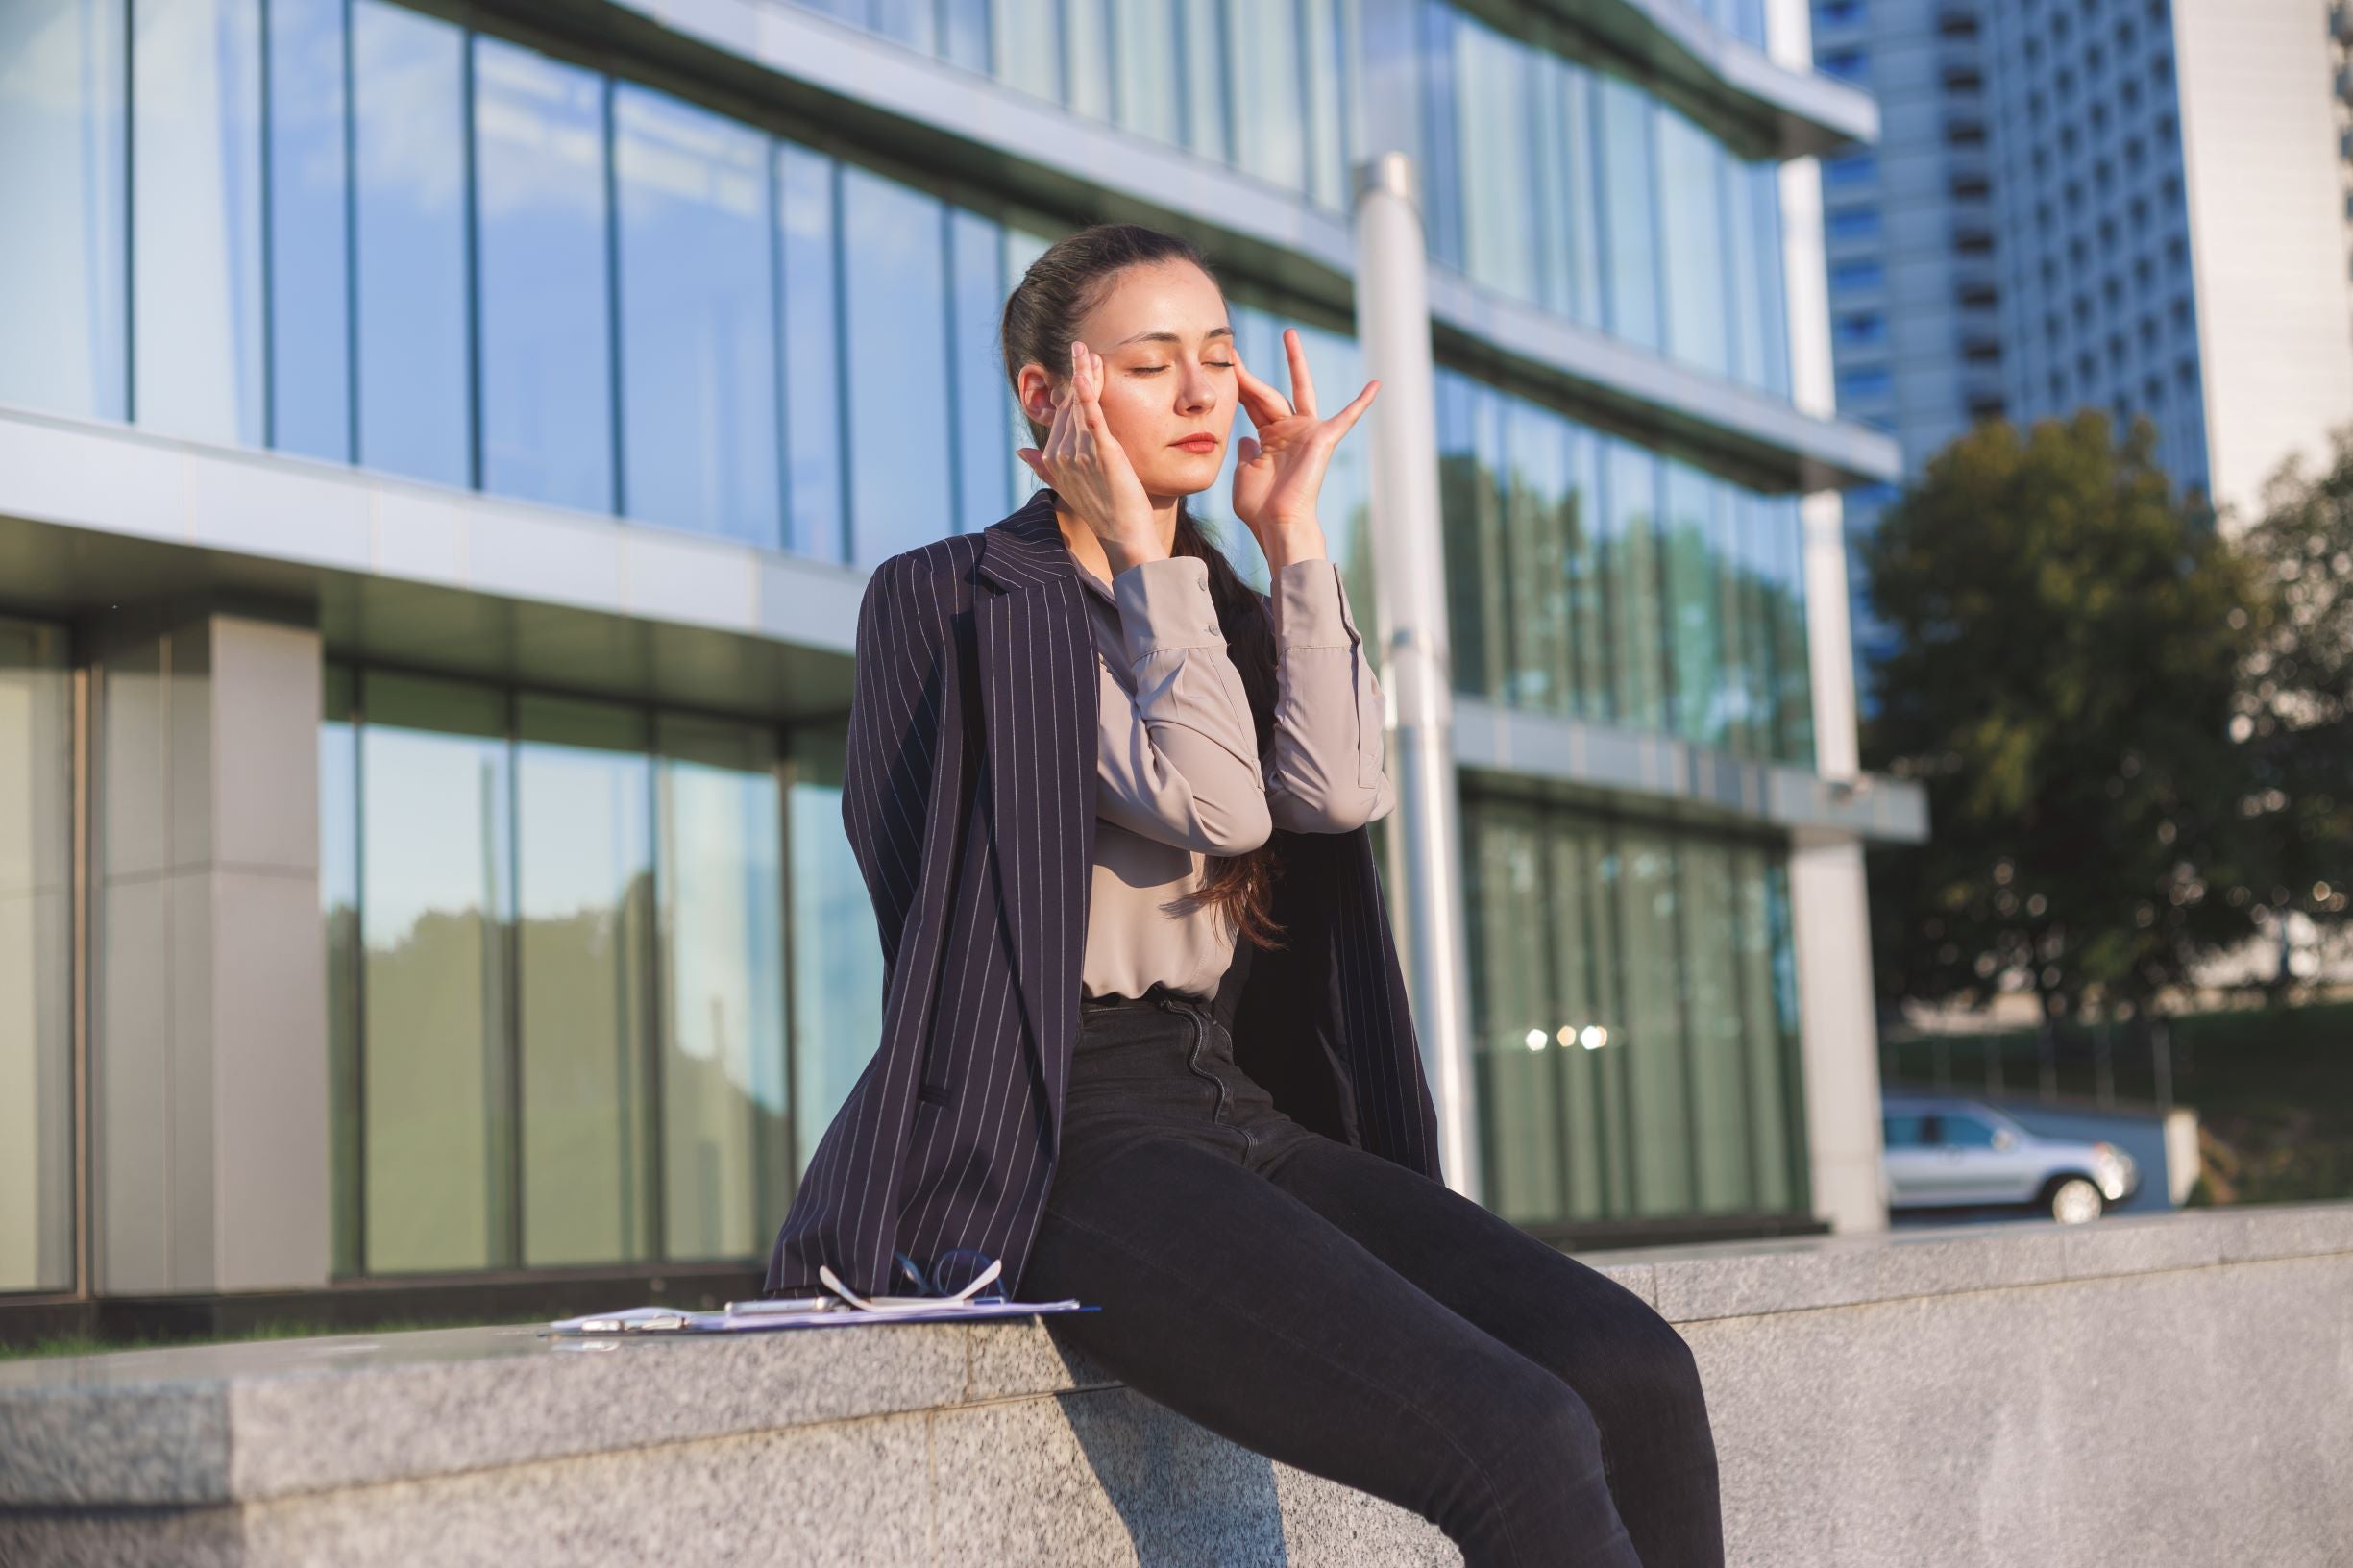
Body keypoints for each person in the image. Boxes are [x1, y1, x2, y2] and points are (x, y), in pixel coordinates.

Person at [766, 222, 1726, 1567]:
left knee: (1631, 1370)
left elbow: (1334, 795)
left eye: (1217, 356)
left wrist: (1289, 544)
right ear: (1048, 397)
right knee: (1511, 1436)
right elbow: (1211, 804)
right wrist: (1151, 573)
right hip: (1068, 1135)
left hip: (1231, 1107)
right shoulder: (958, 600)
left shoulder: (1217, 598)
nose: (1205, 393)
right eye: (1152, 364)